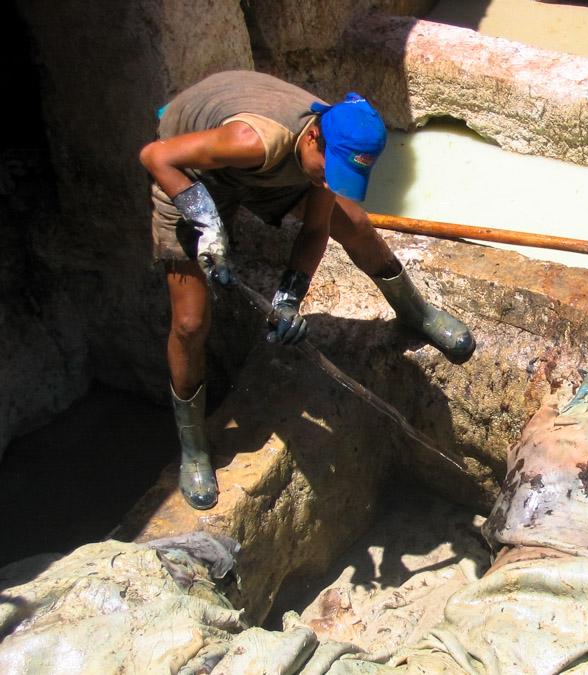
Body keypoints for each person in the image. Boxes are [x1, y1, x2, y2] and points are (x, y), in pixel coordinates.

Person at [140, 70, 475, 511]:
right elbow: (154, 155)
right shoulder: (253, 141)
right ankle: (194, 445)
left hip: (262, 174)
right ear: (313, 137)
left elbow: (316, 229)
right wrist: (206, 221)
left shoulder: (322, 154)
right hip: (188, 174)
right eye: (329, 169)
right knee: (189, 322)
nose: (329, 179)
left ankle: (416, 312)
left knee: (353, 222)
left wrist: (287, 300)